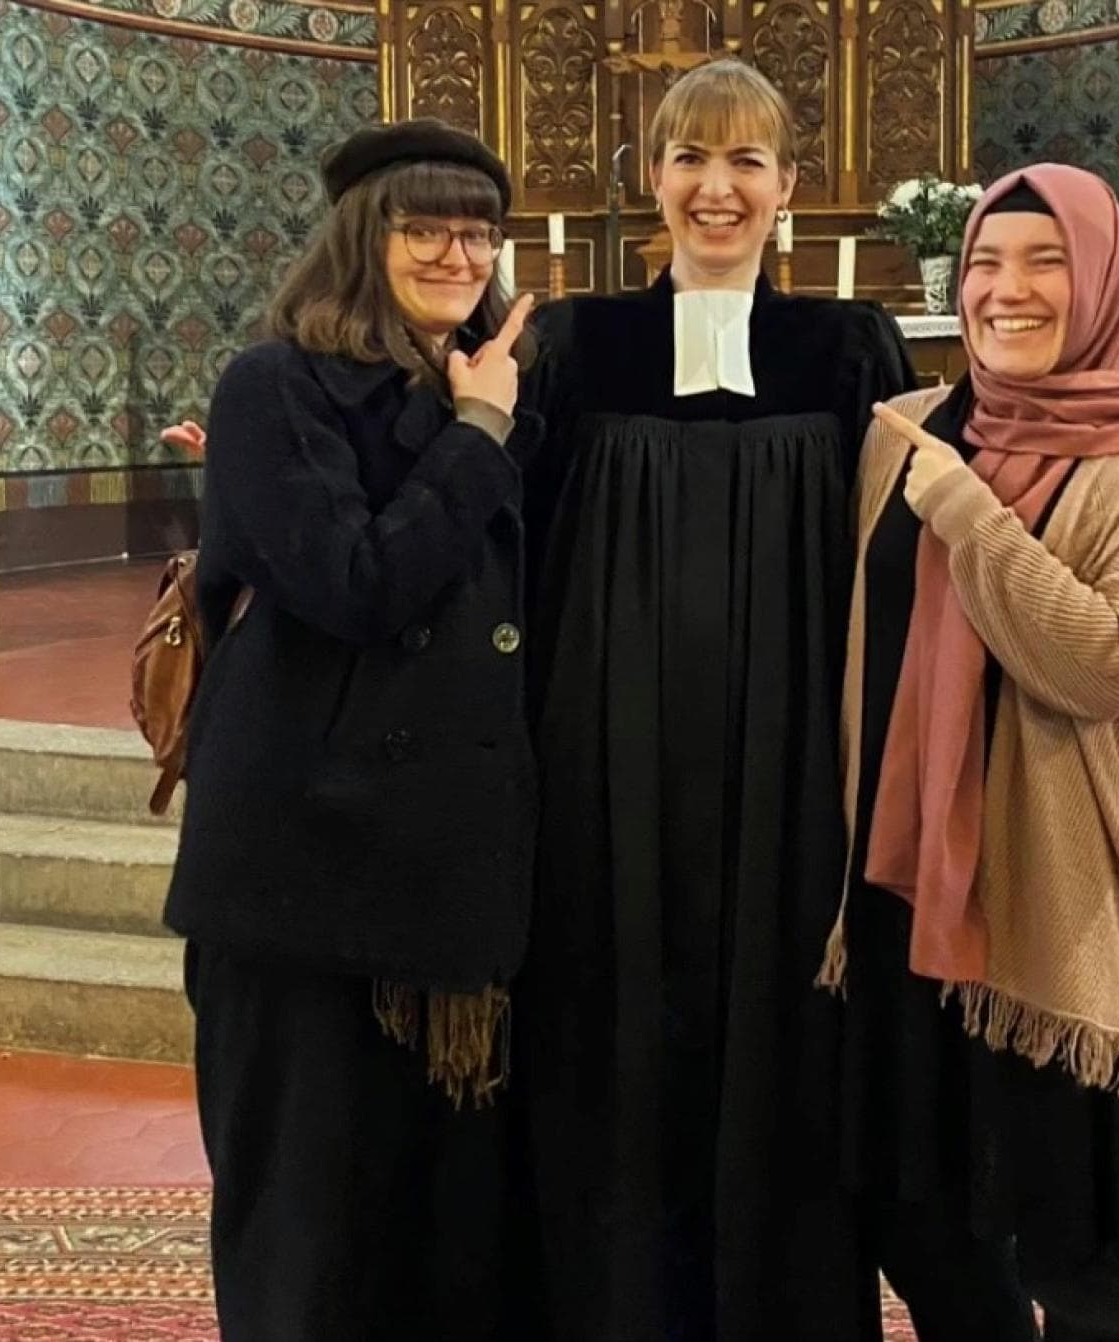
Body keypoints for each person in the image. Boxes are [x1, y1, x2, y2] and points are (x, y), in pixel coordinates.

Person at [514, 58, 918, 1342]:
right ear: (652, 178)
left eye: (747, 161)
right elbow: (508, 527)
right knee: (613, 1008)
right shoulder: (579, 343)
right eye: (691, 157)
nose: (716, 187)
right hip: (604, 755)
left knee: (781, 1011)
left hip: (793, 756)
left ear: (789, 187)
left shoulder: (845, 348)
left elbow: (904, 555)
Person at [820, 162, 1119, 1342]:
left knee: (1085, 1255)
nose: (1010, 290)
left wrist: (966, 511)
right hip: (904, 893)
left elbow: (1105, 660)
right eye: (988, 263)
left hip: (1047, 912)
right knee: (917, 1220)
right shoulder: (903, 432)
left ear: (1100, 280)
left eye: (1046, 261)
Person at [162, 119, 541, 1342]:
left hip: (449, 885)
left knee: (445, 1233)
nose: (455, 252)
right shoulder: (276, 383)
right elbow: (359, 584)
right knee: (307, 1231)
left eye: (478, 231)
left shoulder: (488, 385)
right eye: (423, 225)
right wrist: (476, 434)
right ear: (359, 237)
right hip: (306, 882)